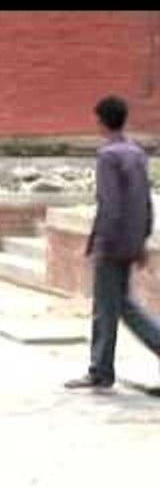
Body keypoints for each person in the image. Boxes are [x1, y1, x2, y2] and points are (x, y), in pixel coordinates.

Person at [65, 96, 160, 391]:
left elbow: (109, 204)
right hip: (131, 240)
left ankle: (100, 370)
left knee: (109, 308)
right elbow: (145, 201)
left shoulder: (108, 155)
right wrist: (142, 239)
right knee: (119, 305)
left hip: (112, 241)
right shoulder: (136, 153)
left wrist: (100, 243)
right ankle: (101, 368)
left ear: (102, 122)